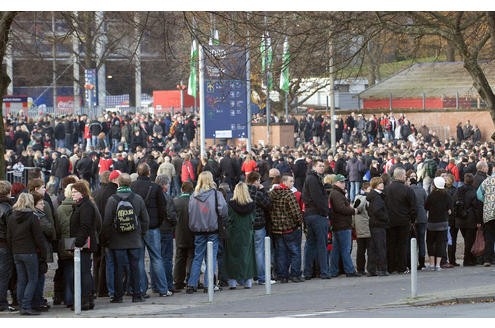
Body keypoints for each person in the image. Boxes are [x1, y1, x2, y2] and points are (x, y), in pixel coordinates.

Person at [101, 173, 150, 303]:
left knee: (118, 268)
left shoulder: (112, 199)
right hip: (134, 239)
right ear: (130, 184)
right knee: (135, 267)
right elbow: (145, 219)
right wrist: (141, 233)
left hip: (117, 240)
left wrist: (107, 238)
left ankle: (118, 296)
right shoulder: (137, 199)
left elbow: (106, 221)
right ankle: (137, 295)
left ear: (118, 183)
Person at [130, 163, 170, 297]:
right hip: (152, 227)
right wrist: (158, 222)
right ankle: (163, 289)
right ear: (149, 172)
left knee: (139, 259)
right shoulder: (155, 187)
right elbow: (162, 208)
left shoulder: (133, 187)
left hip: (137, 227)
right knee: (156, 258)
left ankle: (141, 289)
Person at [186, 171, 227, 294]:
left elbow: (190, 212)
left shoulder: (193, 196)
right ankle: (208, 284)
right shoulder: (216, 194)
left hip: (198, 230)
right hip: (212, 228)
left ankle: (191, 284)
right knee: (211, 257)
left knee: (197, 257)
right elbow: (224, 210)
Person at [6, 193, 47, 315]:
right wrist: (43, 253)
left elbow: (9, 236)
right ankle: (26, 305)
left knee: (22, 280)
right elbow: (38, 238)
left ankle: (21, 305)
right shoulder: (32, 217)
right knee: (32, 279)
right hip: (29, 252)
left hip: (16, 252)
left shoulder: (12, 217)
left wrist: (13, 249)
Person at [69, 180, 102, 310]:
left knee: (84, 272)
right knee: (82, 272)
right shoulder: (80, 205)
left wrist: (77, 243)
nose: (73, 194)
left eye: (75, 192)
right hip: (81, 243)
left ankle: (86, 300)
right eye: (72, 192)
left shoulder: (86, 206)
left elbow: (85, 226)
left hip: (83, 245)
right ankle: (84, 299)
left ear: (82, 193)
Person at [269, 174, 304, 283]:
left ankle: (282, 275)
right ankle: (295, 274)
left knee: (281, 253)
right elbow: (296, 212)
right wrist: (299, 223)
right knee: (295, 252)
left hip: (277, 228)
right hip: (290, 228)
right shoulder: (289, 194)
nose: (292, 183)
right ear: (284, 182)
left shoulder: (272, 194)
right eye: (291, 181)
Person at [223, 182, 257, 289]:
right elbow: (253, 219)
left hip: (233, 233)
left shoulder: (231, 204)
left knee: (232, 256)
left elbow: (228, 219)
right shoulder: (252, 204)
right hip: (247, 232)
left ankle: (232, 281)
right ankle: (248, 281)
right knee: (247, 256)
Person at [302, 159, 331, 279]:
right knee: (321, 244)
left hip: (310, 214)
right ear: (313, 167)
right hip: (317, 215)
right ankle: (323, 271)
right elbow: (318, 198)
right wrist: (326, 212)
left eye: (323, 166)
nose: (322, 168)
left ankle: (308, 272)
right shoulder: (313, 179)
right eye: (319, 166)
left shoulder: (311, 178)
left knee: (311, 244)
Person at [384, 167, 416, 274]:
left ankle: (391, 266)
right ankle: (401, 267)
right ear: (402, 176)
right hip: (404, 221)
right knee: (402, 245)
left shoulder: (387, 189)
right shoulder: (408, 189)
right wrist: (412, 220)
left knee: (391, 244)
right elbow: (413, 208)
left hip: (390, 221)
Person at [329, 174, 360, 277]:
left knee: (336, 250)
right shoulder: (337, 194)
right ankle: (349, 270)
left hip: (338, 224)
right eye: (341, 182)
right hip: (342, 224)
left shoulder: (336, 193)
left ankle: (334, 271)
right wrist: (353, 210)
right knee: (345, 249)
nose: (344, 184)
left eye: (344, 182)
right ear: (336, 183)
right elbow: (341, 208)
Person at [246, 171, 273, 285]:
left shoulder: (242, 192)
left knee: (248, 252)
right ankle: (261, 277)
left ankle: (247, 277)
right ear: (256, 181)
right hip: (258, 225)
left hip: (246, 226)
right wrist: (262, 190)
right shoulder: (258, 194)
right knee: (259, 252)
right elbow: (269, 204)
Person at [155, 174, 178, 293]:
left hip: (156, 229)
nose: (169, 186)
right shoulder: (166, 197)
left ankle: (156, 284)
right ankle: (168, 283)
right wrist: (175, 222)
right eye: (168, 184)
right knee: (167, 258)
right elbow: (170, 214)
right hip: (166, 229)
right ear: (164, 185)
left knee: (156, 257)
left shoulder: (154, 195)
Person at [424, 177, 453, 271]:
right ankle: (438, 265)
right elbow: (450, 210)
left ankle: (432, 264)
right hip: (443, 222)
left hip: (432, 222)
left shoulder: (431, 195)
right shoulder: (447, 195)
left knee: (430, 242)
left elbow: (426, 206)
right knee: (441, 243)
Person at [54, 184, 76, 308]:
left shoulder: (60, 208)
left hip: (64, 242)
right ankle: (80, 297)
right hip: (78, 242)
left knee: (67, 270)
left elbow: (57, 228)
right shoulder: (79, 206)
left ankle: (68, 298)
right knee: (81, 270)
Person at [454, 173, 481, 267]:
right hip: (471, 219)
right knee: (470, 240)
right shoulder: (474, 191)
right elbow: (477, 208)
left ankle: (469, 259)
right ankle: (468, 259)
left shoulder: (458, 190)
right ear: (472, 181)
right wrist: (479, 221)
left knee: (467, 239)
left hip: (460, 219)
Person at [172, 181, 195, 291]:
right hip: (192, 233)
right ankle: (191, 280)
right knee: (191, 257)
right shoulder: (194, 201)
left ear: (182, 189)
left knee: (179, 258)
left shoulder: (176, 201)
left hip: (179, 234)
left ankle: (178, 281)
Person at [366, 177, 389, 276]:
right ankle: (381, 269)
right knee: (380, 247)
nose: (382, 184)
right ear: (375, 185)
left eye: (382, 183)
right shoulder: (377, 197)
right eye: (380, 183)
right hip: (379, 224)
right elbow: (377, 211)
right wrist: (386, 218)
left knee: (373, 248)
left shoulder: (373, 196)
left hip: (374, 224)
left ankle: (372, 269)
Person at [0, 180, 14, 313]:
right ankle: (2, 302)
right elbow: (10, 230)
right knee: (4, 275)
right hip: (4, 245)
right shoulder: (8, 208)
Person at [352, 182, 371, 276]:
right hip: (365, 227)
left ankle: (361, 269)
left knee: (361, 249)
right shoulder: (362, 198)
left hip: (360, 227)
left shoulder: (357, 198)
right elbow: (358, 208)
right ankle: (362, 269)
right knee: (365, 249)